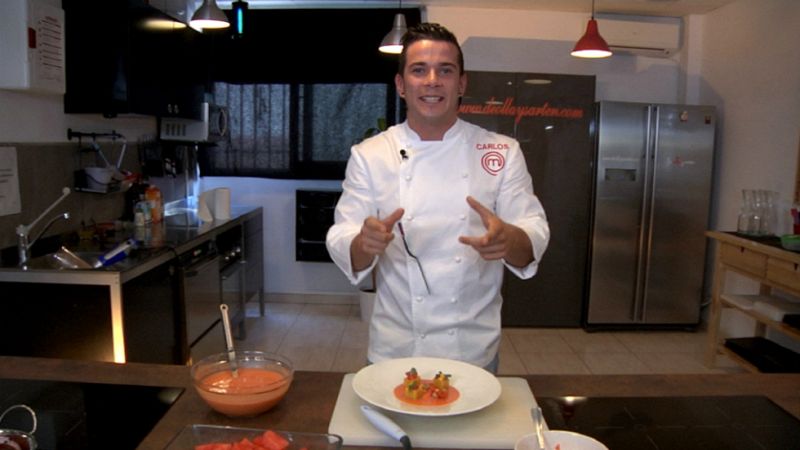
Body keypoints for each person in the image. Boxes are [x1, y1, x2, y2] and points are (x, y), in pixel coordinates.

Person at [325, 23, 549, 373]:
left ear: (461, 84)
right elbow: (342, 236)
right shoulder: (370, 154)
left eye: (445, 70)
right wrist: (363, 242)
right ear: (401, 85)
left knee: (473, 430)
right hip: (394, 348)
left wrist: (509, 239)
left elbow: (533, 232)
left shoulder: (502, 151)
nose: (432, 80)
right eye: (419, 70)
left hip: (472, 350)